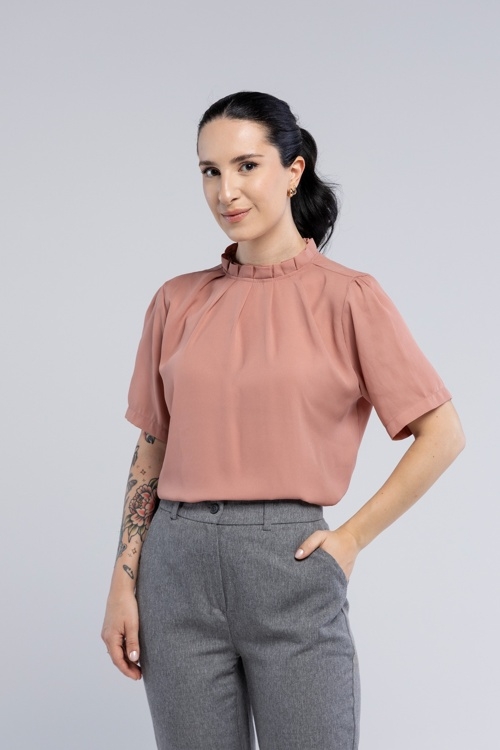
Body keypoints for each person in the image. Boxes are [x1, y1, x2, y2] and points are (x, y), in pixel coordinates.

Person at [101, 91, 465, 750]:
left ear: (293, 171)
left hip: (290, 565)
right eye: (210, 171)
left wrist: (350, 540)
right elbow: (153, 447)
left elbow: (442, 434)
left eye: (247, 166)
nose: (226, 191)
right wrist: (123, 582)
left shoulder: (349, 297)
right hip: (175, 571)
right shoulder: (175, 301)